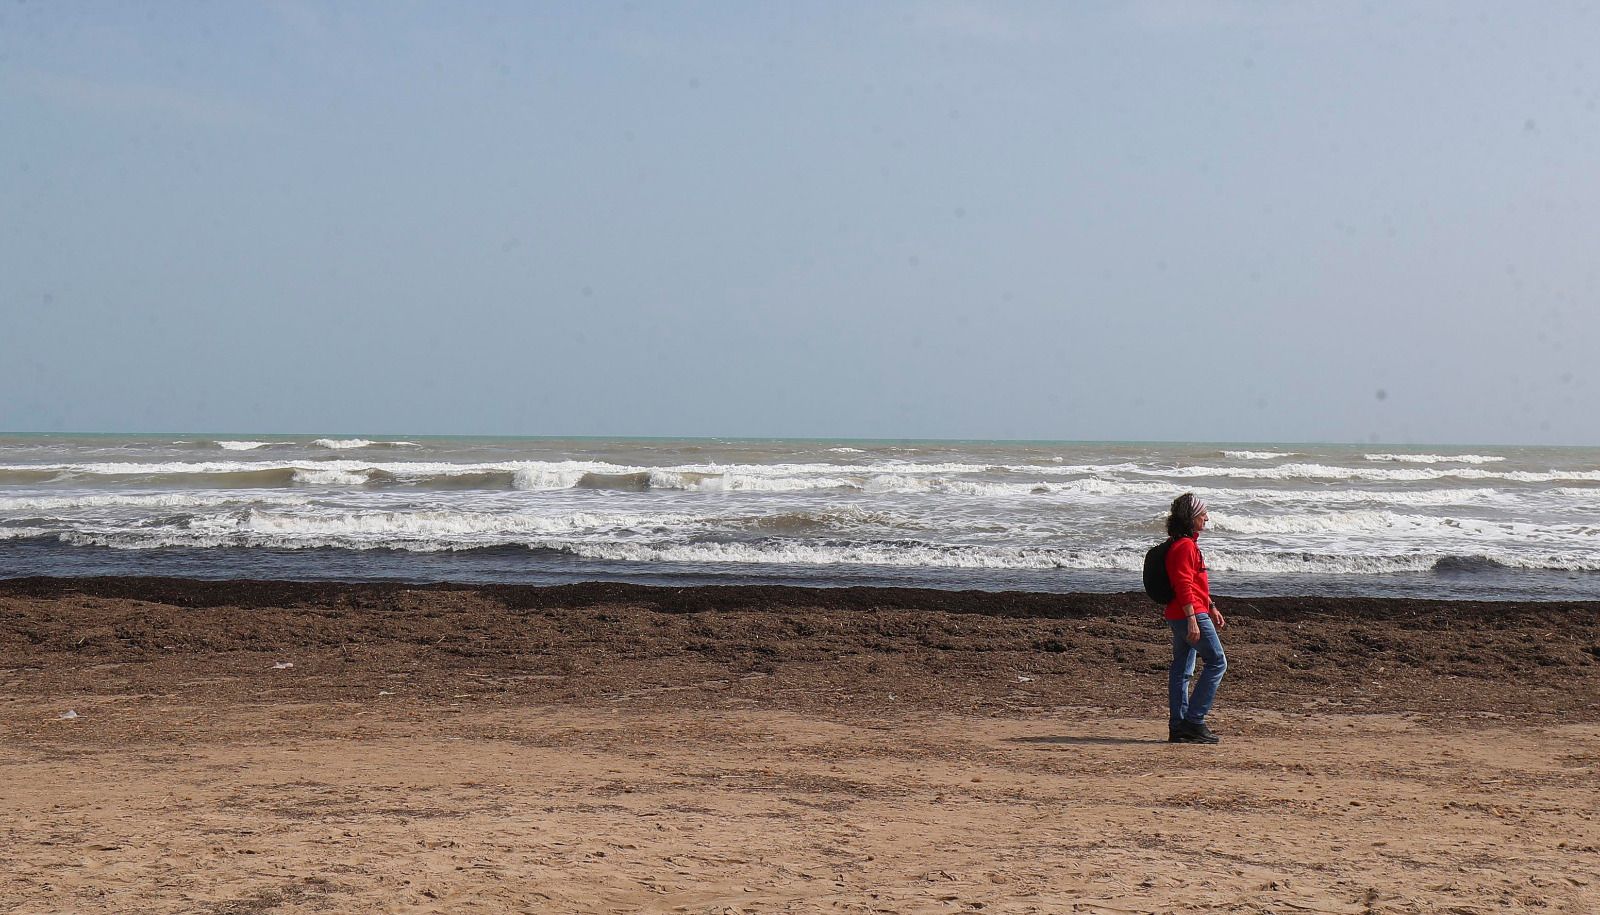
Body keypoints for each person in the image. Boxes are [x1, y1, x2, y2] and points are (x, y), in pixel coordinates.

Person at [1163, 493, 1227, 744]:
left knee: (1182, 669)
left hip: (1187, 612)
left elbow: (1196, 583)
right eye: (1203, 514)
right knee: (1217, 662)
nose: (1207, 518)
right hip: (1188, 614)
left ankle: (1179, 727)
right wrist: (1192, 617)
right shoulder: (1184, 546)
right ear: (1191, 518)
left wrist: (1211, 606)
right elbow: (1182, 585)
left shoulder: (1184, 544)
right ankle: (1194, 721)